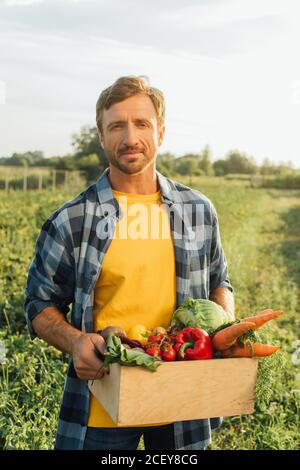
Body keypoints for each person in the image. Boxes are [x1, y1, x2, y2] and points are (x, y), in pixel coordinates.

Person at [24, 75, 234, 450]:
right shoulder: (72, 219)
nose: (130, 137)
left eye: (142, 124)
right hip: (104, 400)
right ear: (101, 136)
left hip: (182, 401)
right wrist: (75, 342)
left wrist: (222, 330)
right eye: (116, 125)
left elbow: (221, 281)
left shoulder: (197, 210)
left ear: (161, 132)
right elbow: (39, 303)